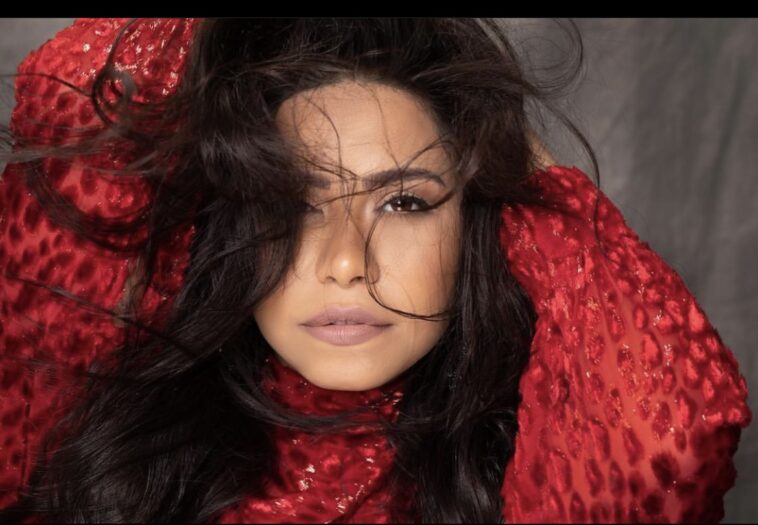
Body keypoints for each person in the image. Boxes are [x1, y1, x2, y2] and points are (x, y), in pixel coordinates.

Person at [0, 18, 751, 523]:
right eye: (288, 204)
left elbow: (673, 444)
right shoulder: (107, 436)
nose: (345, 263)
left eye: (404, 202)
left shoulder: (526, 469)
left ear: (478, 227)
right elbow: (64, 102)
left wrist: (515, 166)